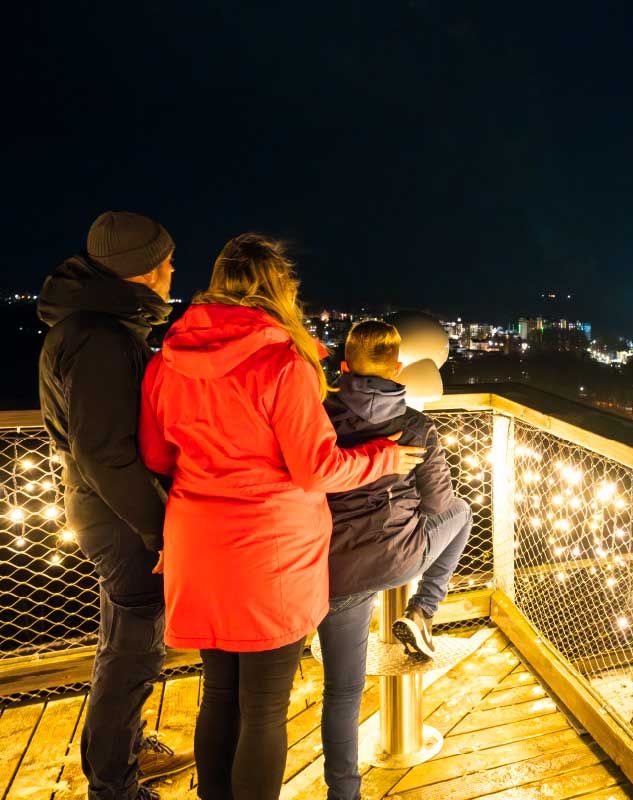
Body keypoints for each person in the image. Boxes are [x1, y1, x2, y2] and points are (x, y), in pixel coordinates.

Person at [137, 235, 425, 800]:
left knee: (219, 694)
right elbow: (317, 469)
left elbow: (154, 454)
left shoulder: (168, 357)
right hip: (270, 553)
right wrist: (383, 457)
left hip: (198, 545)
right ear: (279, 290)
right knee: (264, 710)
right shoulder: (282, 362)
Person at [38, 211, 194, 800]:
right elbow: (105, 452)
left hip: (103, 510)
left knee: (121, 643)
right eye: (168, 259)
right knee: (133, 654)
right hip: (121, 518)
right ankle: (114, 785)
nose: (174, 268)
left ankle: (119, 751)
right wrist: (160, 531)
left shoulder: (90, 325)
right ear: (145, 270)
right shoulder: (101, 339)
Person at [316, 319, 470, 800]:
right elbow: (441, 506)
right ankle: (423, 609)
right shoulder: (417, 426)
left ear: (343, 368)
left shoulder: (317, 418)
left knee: (342, 691)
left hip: (335, 569)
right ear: (399, 368)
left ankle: (344, 792)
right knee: (463, 512)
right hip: (400, 557)